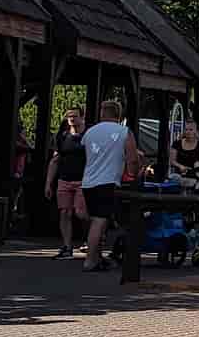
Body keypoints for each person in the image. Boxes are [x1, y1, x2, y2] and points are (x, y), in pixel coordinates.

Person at [80, 100, 140, 274]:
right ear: (119, 115)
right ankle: (90, 260)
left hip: (88, 181)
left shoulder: (90, 132)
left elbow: (84, 154)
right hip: (107, 181)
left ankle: (97, 257)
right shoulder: (124, 132)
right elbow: (132, 159)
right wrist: (133, 174)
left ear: (102, 113)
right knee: (100, 221)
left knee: (96, 220)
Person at [45, 108, 88, 258]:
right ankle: (67, 246)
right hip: (64, 179)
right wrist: (48, 183)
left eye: (74, 116)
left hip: (83, 180)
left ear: (82, 117)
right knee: (65, 212)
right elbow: (55, 160)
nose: (71, 118)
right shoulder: (62, 136)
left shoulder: (88, 136)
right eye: (69, 116)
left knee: (81, 212)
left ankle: (91, 238)